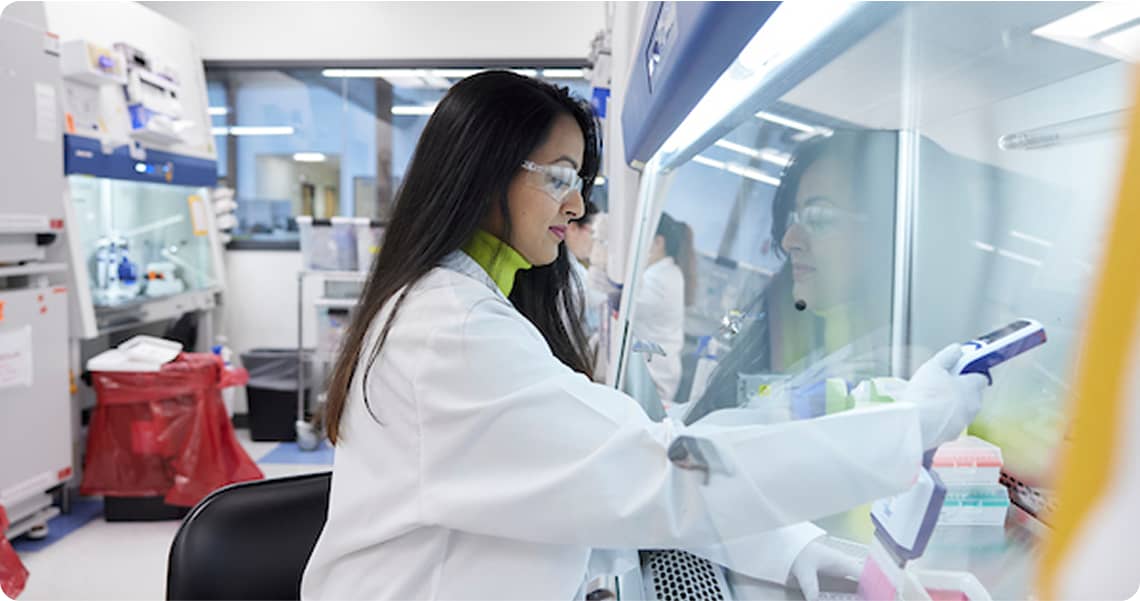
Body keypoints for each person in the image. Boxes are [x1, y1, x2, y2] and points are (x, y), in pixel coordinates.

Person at [300, 72, 987, 600]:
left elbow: (617, 472)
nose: (577, 204)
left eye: (581, 181)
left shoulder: (475, 307)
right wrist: (909, 427)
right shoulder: (447, 331)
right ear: (483, 174)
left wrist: (795, 550)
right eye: (560, 178)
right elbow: (654, 476)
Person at [631, 212, 696, 405]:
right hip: (653, 371)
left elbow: (626, 304)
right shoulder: (664, 273)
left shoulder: (661, 279)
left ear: (658, 242)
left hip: (654, 377)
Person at [565, 200, 606, 335]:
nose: (596, 242)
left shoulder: (574, 267)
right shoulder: (567, 275)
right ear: (573, 228)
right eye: (593, 233)